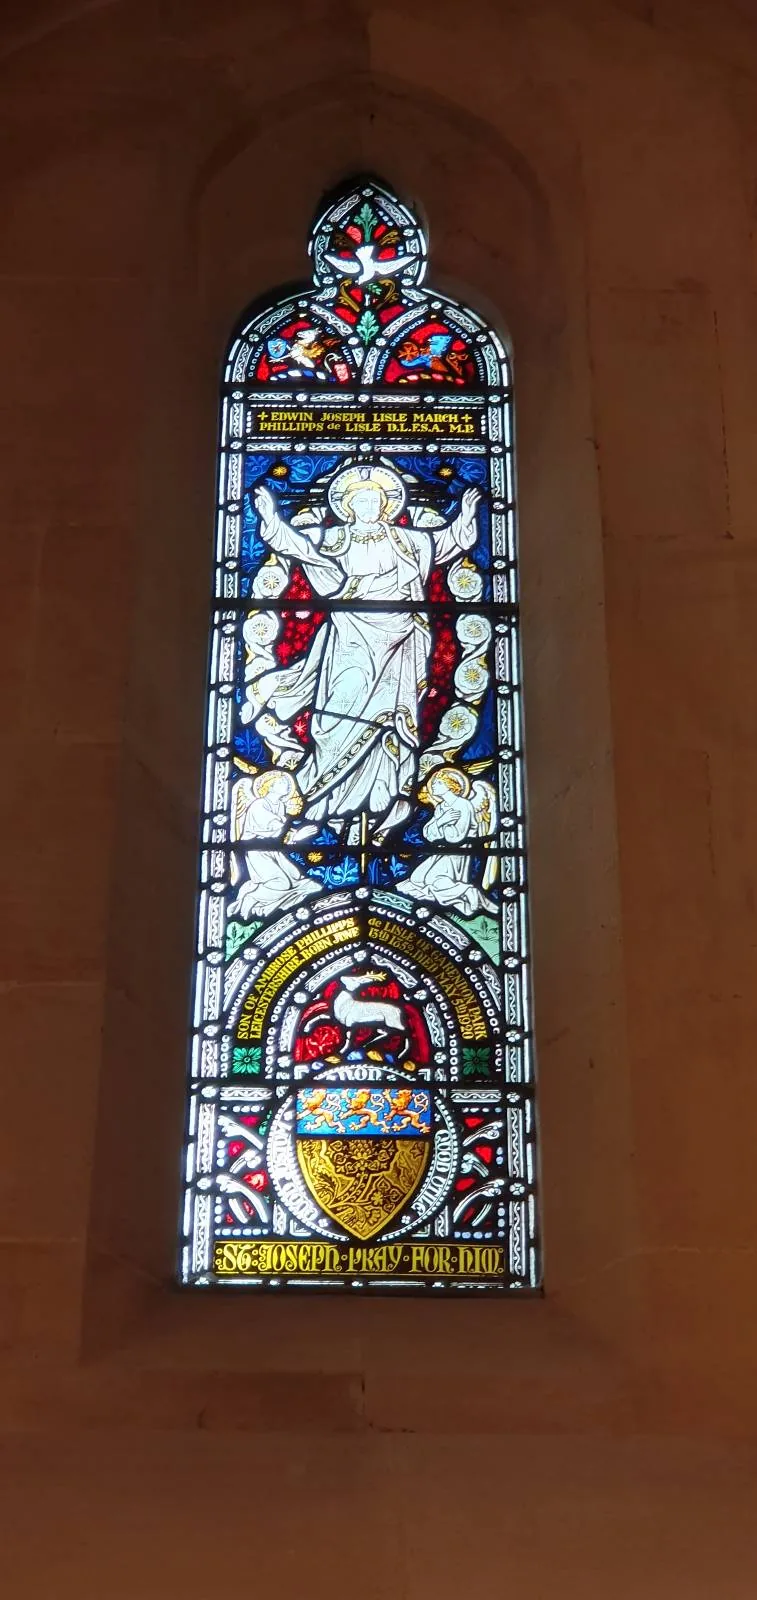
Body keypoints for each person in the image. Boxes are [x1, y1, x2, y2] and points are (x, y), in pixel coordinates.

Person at [247, 463, 481, 840]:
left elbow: (447, 543)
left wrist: (467, 515)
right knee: (336, 715)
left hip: (402, 641)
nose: (369, 505)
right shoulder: (335, 539)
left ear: (387, 505)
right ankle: (323, 802)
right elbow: (298, 546)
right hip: (348, 638)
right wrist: (272, 518)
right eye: (362, 500)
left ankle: (388, 802)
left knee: (393, 723)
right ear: (349, 506)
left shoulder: (410, 542)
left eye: (376, 499)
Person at [402, 767, 498, 916]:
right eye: (434, 783)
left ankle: (469, 892)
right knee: (417, 878)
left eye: (438, 783)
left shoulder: (463, 805)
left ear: (450, 786)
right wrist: (442, 821)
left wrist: (443, 826)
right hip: (441, 850)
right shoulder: (441, 807)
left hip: (456, 853)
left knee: (434, 880)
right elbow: (429, 834)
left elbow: (457, 837)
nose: (433, 785)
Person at [228, 770, 319, 920]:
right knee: (281, 883)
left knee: (299, 880)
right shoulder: (259, 804)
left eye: (286, 782)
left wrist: (294, 836)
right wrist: (296, 835)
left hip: (273, 850)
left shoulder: (279, 805)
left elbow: (280, 832)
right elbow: (273, 829)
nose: (287, 785)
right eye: (281, 782)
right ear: (269, 786)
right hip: (257, 850)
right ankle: (250, 899)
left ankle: (272, 905)